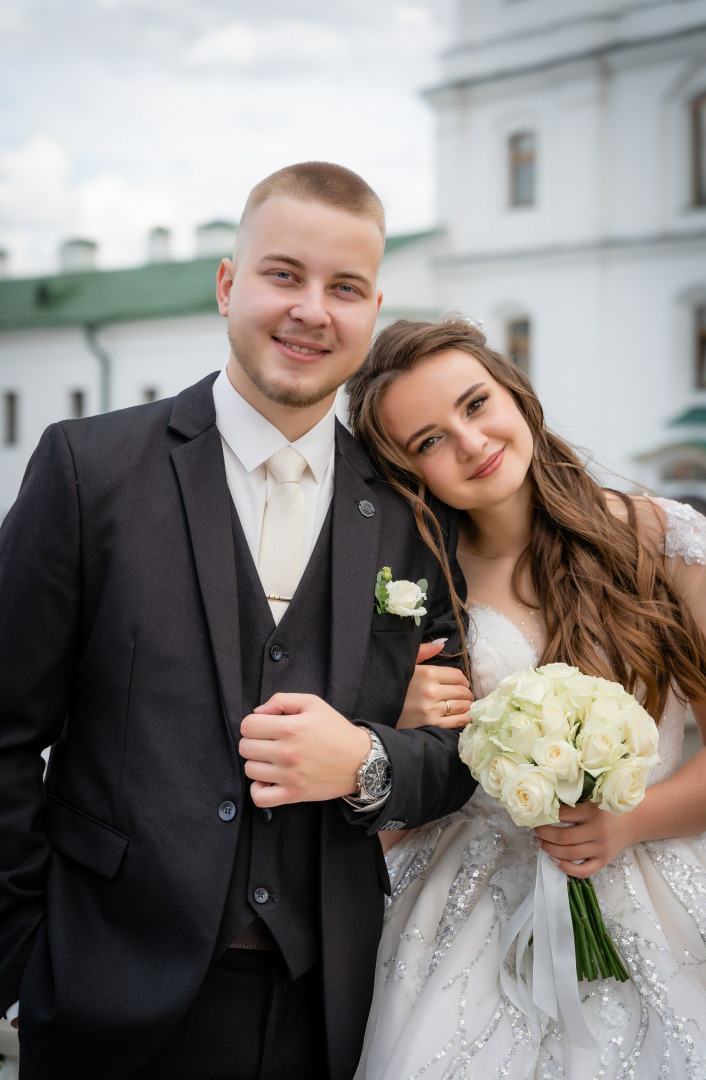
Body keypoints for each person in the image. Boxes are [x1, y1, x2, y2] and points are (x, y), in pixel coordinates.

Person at [0, 165, 477, 1080]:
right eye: (283, 275)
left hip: (329, 1005)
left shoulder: (414, 509)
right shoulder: (87, 469)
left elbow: (454, 757)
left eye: (343, 289)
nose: (311, 310)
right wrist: (24, 962)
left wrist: (370, 761)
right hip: (104, 991)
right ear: (228, 285)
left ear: (372, 309)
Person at [346, 316, 706, 1079]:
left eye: (474, 404)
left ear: (514, 393)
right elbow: (387, 802)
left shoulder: (657, 539)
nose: (468, 441)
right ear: (405, 470)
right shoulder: (417, 593)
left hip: (656, 867)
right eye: (427, 441)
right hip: (468, 902)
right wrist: (400, 722)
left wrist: (630, 819)